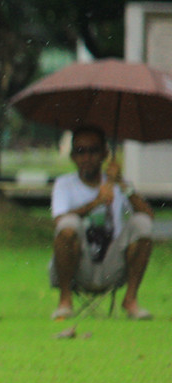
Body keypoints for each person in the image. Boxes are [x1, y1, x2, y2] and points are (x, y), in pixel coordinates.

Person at [49, 125, 154, 320]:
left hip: (111, 264)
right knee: (68, 225)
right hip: (78, 264)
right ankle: (65, 300)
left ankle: (130, 300)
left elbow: (148, 217)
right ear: (72, 155)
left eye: (93, 150)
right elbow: (59, 222)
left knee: (141, 225)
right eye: (80, 151)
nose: (86, 157)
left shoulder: (117, 183)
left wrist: (122, 184)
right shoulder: (65, 184)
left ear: (105, 153)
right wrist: (96, 202)